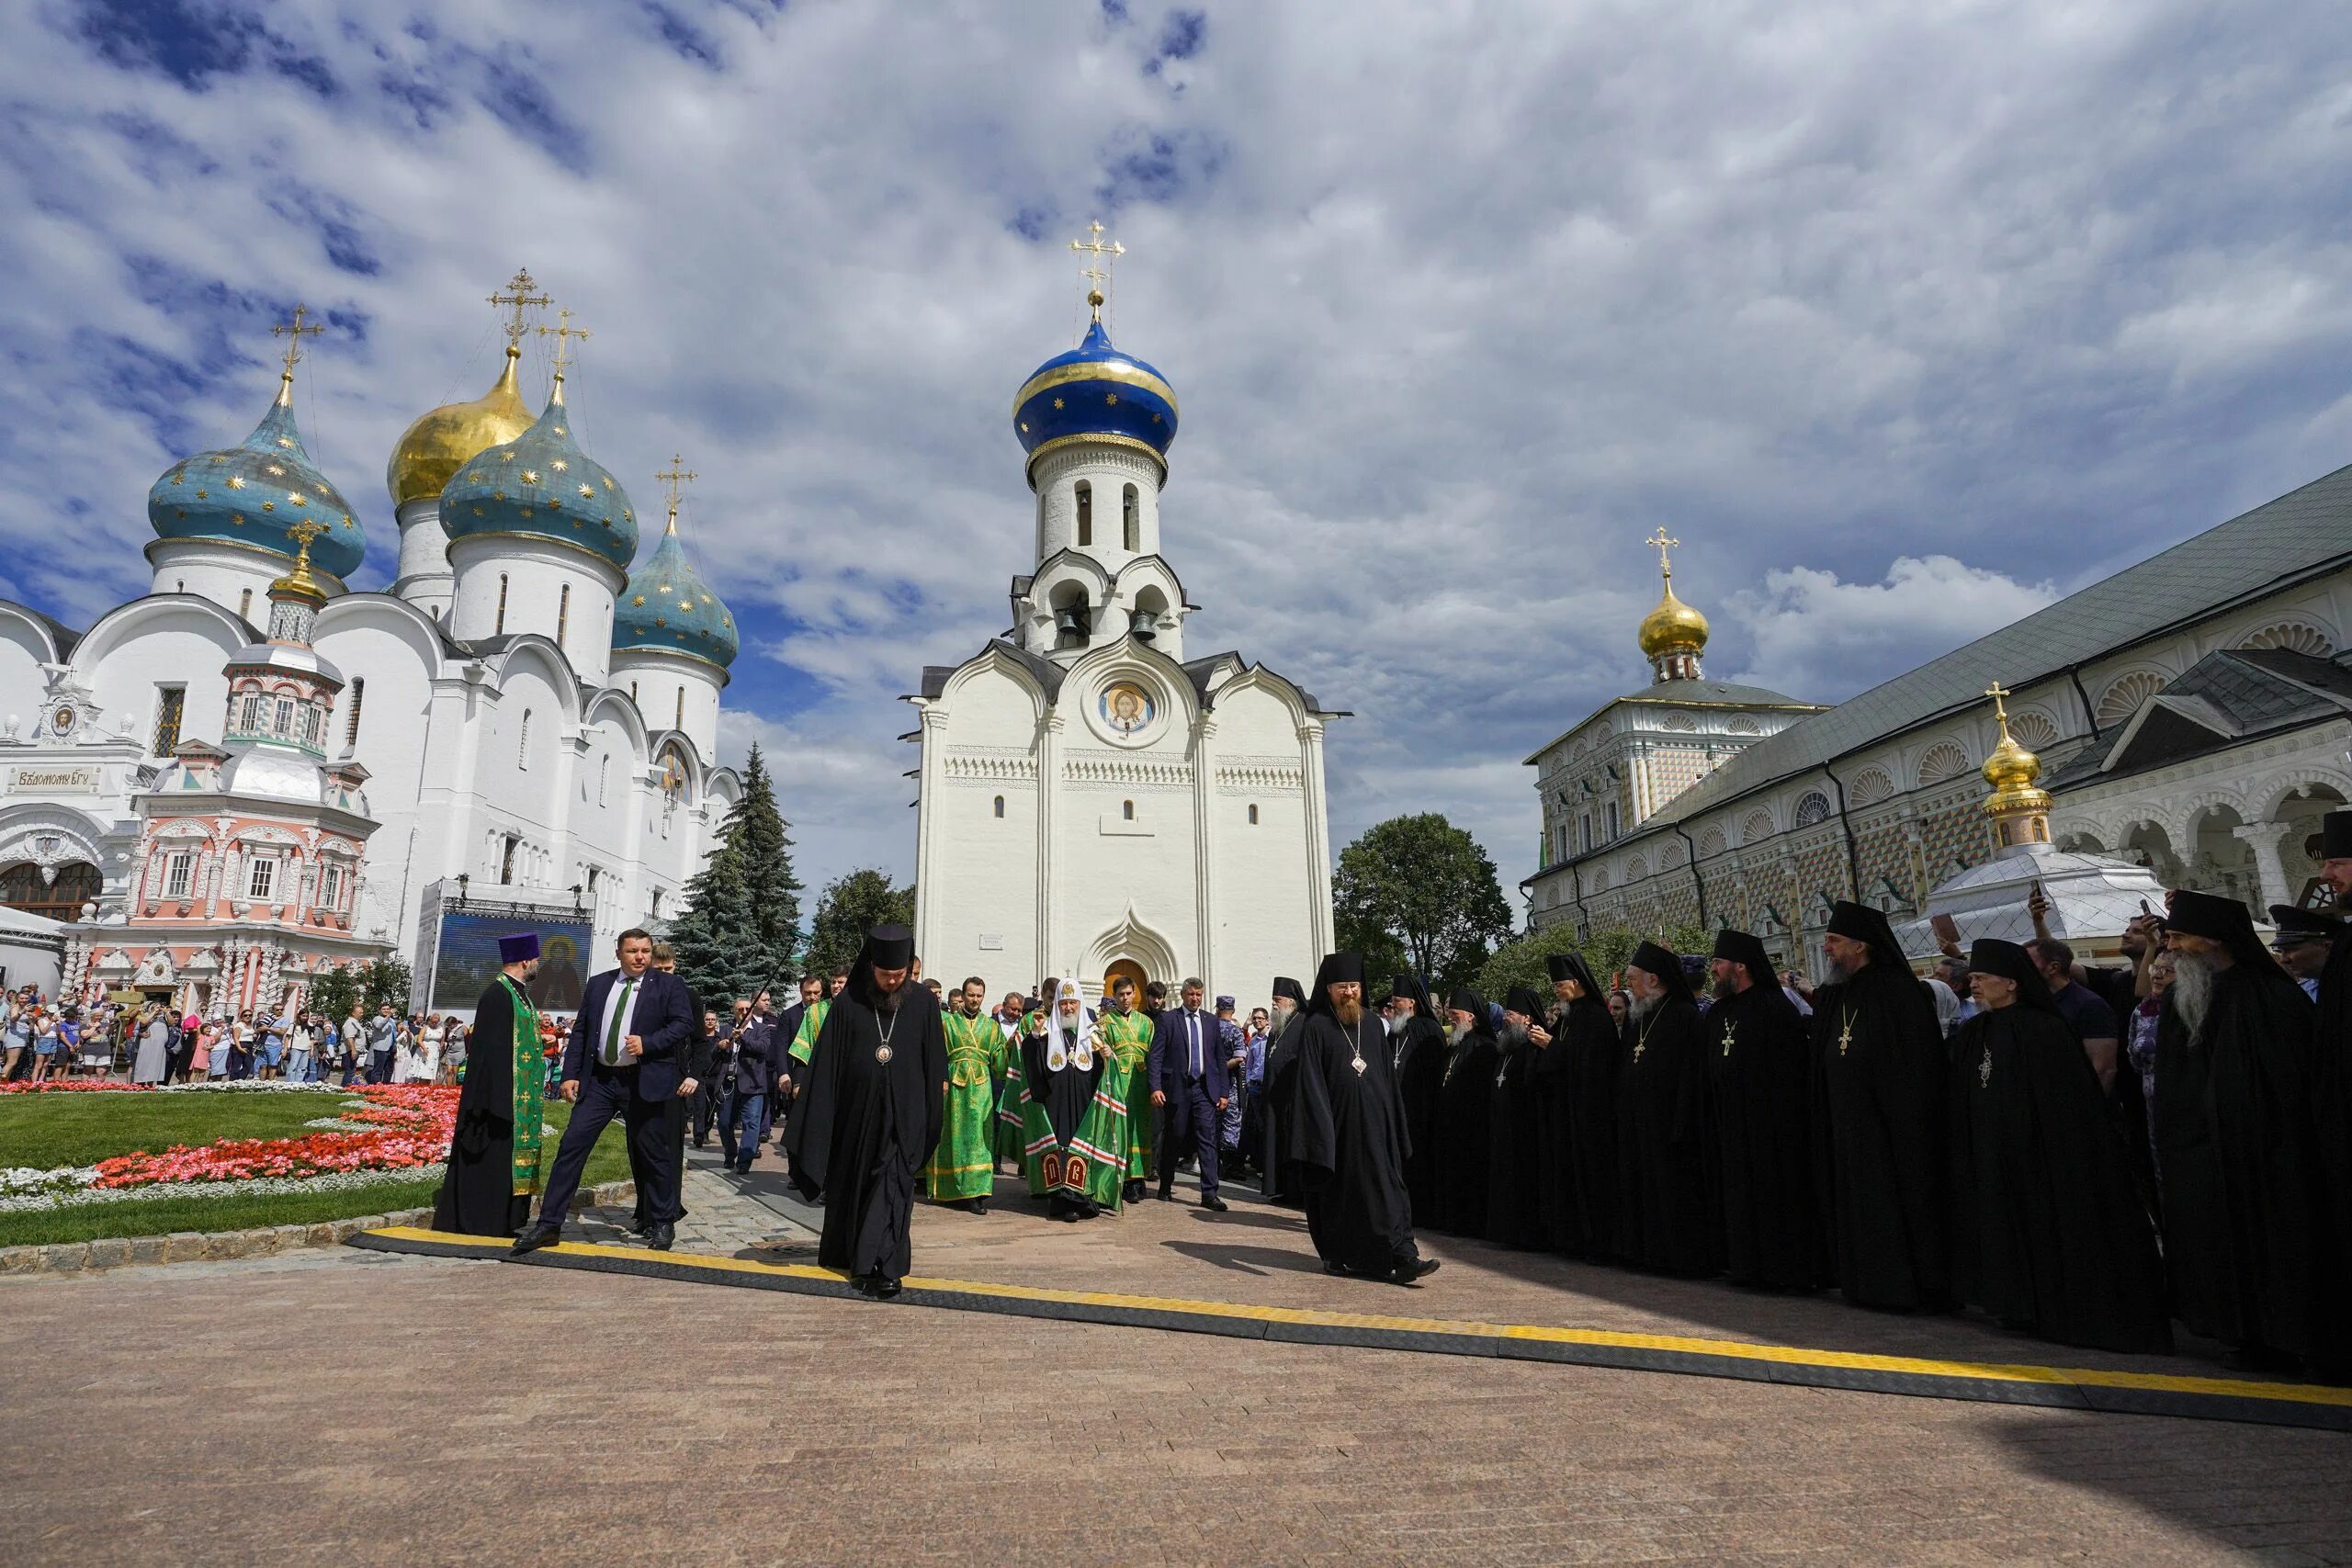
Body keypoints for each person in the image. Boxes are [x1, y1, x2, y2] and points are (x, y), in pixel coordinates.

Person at [1943, 938, 2171, 1353]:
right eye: (1972, 978)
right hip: (1991, 1150)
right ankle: (2012, 1303)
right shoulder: (1976, 1029)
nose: (1973, 985)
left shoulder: (2045, 1029)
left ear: (2011, 983)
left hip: (2036, 1151)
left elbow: (2067, 1099)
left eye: (1981, 978)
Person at [2154, 889, 2324, 1370]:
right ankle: (2235, 1332)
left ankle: (2282, 1338)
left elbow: (2291, 1083)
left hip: (2266, 1154)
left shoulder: (2270, 995)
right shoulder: (2183, 999)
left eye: (2180, 938)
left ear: (2212, 940)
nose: (2171, 948)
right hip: (2202, 1152)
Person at [783, 925, 948, 1297]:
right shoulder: (848, 1003)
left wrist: (931, 1108)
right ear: (871, 967)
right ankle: (859, 1259)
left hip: (905, 1116)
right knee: (860, 1187)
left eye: (899, 975)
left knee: (893, 1187)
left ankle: (886, 1266)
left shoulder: (922, 1003)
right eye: (885, 975)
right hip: (856, 1119)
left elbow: (934, 1061)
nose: (892, 982)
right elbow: (826, 1066)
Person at [514, 930, 697, 1254]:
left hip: (643, 1081)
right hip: (600, 1082)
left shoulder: (668, 985)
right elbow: (583, 1030)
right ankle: (548, 1225)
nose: (640, 957)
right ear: (619, 953)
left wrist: (648, 1043)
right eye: (632, 951)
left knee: (653, 1153)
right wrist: (570, 1075)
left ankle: (663, 1222)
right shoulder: (599, 984)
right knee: (572, 1146)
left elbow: (683, 1024)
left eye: (645, 951)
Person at [1815, 900, 1952, 1312]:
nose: (1826, 948)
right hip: (1849, 1124)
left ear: (1861, 946)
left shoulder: (1899, 992)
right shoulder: (1836, 995)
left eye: (1834, 940)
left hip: (1893, 1128)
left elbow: (1916, 1066)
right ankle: (1863, 1282)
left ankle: (1905, 1287)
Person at [1281, 952, 1439, 1283]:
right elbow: (1309, 1082)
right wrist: (1321, 1133)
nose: (1349, 992)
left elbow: (1386, 1078)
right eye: (1342, 987)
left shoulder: (1371, 1025)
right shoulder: (1316, 1026)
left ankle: (1404, 1255)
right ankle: (1341, 1254)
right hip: (1338, 1130)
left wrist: (1394, 1123)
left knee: (1389, 1189)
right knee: (1344, 1197)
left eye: (1354, 986)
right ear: (1328, 989)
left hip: (1377, 1127)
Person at [1708, 929, 1817, 1291]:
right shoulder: (1719, 1012)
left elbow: (1790, 1072)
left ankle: (1780, 1271)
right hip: (1730, 1121)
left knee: (1774, 1195)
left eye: (1719, 963)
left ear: (1740, 966)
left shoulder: (1775, 1008)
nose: (1714, 970)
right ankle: (1745, 1266)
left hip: (1770, 1124)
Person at [1615, 942, 1720, 1277]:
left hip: (1671, 1124)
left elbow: (1693, 1077)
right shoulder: (1637, 1018)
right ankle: (1647, 1253)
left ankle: (1679, 1259)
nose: (1628, 985)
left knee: (1674, 1194)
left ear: (1654, 979)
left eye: (1632, 979)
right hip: (1638, 1122)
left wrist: (1681, 1123)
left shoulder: (1685, 1016)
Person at [435, 933, 548, 1237]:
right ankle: (485, 1220)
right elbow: (487, 1054)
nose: (538, 964)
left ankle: (506, 1219)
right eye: (536, 959)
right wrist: (494, 1100)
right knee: (492, 1159)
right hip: (498, 1099)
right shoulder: (497, 995)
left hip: (516, 1096)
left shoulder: (518, 993)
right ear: (525, 961)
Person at [1536, 952, 1617, 1259]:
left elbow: (1590, 1065)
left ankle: (1594, 1243)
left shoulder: (1597, 1017)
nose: (1555, 989)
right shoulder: (1569, 1018)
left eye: (1559, 984)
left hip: (1589, 1114)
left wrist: (1550, 1045)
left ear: (1576, 982)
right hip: (1566, 1111)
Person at [1011, 980, 1113, 1221]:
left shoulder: (1092, 1035)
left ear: (1080, 1005)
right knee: (1060, 1148)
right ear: (1057, 1004)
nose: (1068, 1008)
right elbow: (1030, 1062)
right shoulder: (1045, 1033)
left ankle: (1084, 1196)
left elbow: (1102, 1072)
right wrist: (1035, 1035)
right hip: (1055, 1102)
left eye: (1072, 1003)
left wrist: (1107, 1056)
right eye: (1064, 1003)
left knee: (1082, 1146)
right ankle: (1062, 1201)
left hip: (1083, 1102)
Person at [637, 944, 708, 1235]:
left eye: (669, 969)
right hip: (641, 1077)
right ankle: (644, 1211)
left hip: (676, 1080)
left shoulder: (687, 995)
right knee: (640, 1146)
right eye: (659, 970)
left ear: (675, 966)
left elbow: (701, 1043)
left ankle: (667, 1212)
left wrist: (694, 1076)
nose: (665, 974)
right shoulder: (640, 994)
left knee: (669, 1149)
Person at [1148, 976, 1231, 1211]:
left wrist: (1223, 1091)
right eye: (1191, 994)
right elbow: (1155, 1056)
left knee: (1207, 1139)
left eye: (1199, 995)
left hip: (1204, 1089)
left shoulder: (1211, 1021)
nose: (1195, 999)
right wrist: (1155, 1086)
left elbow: (1219, 1058)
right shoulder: (1168, 1020)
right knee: (1175, 1135)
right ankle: (1165, 1184)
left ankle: (1209, 1193)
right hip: (1177, 1088)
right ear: (1183, 995)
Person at [923, 976, 1005, 1212]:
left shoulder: (991, 1027)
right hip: (953, 1088)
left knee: (979, 1138)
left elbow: (999, 1065)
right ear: (963, 995)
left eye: (979, 996)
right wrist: (941, 1078)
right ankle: (953, 1191)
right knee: (952, 1137)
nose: (975, 1000)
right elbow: (937, 1053)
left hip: (981, 1090)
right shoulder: (948, 1024)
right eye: (971, 995)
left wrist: (1008, 1050)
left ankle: (976, 1192)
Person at [1485, 986, 1550, 1249]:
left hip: (1526, 1130)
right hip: (1503, 1127)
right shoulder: (1505, 1049)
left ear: (1528, 1018)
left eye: (1511, 1013)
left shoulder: (1533, 1050)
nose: (1506, 1018)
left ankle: (1526, 1235)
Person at [1432, 987, 1498, 1235]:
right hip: (1450, 1126)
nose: (1451, 1017)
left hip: (1473, 1128)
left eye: (1455, 1013)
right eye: (1449, 1013)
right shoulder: (1454, 1047)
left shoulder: (1485, 1047)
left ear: (1471, 1015)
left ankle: (1470, 1223)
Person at [2024, 937, 2120, 1091]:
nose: (2021, 969)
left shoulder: (2090, 1006)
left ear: (2053, 968)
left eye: (2027, 962)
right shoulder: (2035, 1004)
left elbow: (2104, 1069)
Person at [1389, 975, 1448, 1223]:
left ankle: (1421, 1211)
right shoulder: (1394, 1032)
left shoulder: (1428, 1028)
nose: (1393, 1007)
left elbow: (1434, 1073)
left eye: (1397, 1001)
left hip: (1419, 1109)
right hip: (1395, 1108)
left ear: (1411, 1003)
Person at [1094, 976, 1156, 1205]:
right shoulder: (1106, 1023)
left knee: (1141, 1128)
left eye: (1129, 993)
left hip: (1141, 1083)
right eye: (1121, 994)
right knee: (1121, 1128)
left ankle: (1139, 1177)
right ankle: (1125, 1178)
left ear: (1134, 994)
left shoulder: (1146, 1022)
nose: (1125, 998)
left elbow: (1153, 1054)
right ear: (1115, 996)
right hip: (1118, 1080)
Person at [1257, 976, 1307, 1198]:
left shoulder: (1304, 1023)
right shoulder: (1277, 1026)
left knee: (1291, 1143)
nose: (1274, 1004)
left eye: (1278, 999)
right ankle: (1281, 1189)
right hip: (1273, 1096)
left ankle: (1296, 1192)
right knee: (1276, 1142)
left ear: (1292, 1001)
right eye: (1273, 1000)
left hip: (1293, 1098)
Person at [718, 998, 776, 1174]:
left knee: (751, 1124)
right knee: (724, 1123)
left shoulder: (761, 1029)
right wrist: (720, 1046)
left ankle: (744, 1162)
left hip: (753, 1085)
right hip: (729, 1084)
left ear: (751, 1011)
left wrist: (742, 1037)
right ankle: (730, 1154)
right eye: (740, 1009)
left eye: (746, 1009)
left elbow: (762, 1049)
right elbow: (714, 1056)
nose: (743, 1012)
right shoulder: (726, 1029)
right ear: (733, 1011)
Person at [2267, 905, 2334, 1002]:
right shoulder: (2301, 994)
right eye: (2281, 951)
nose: (2283, 959)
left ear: (2327, 948)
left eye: (2291, 950)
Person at [131, 1004, 170, 1086]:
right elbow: (143, 1023)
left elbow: (172, 1023)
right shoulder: (143, 1015)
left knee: (154, 1066)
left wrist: (167, 1013)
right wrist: (154, 1012)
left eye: (160, 1007)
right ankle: (139, 1085)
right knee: (143, 1065)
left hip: (158, 1047)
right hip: (146, 1045)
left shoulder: (163, 1018)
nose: (158, 1008)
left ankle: (150, 1085)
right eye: (156, 1006)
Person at [366, 1004, 397, 1085]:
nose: (386, 1011)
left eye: (388, 1009)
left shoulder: (392, 1021)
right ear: (380, 1010)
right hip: (381, 1048)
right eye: (384, 1009)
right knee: (378, 1069)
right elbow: (379, 1026)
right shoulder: (377, 1018)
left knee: (389, 1069)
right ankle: (374, 1086)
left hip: (391, 1048)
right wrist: (389, 1015)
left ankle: (386, 1086)